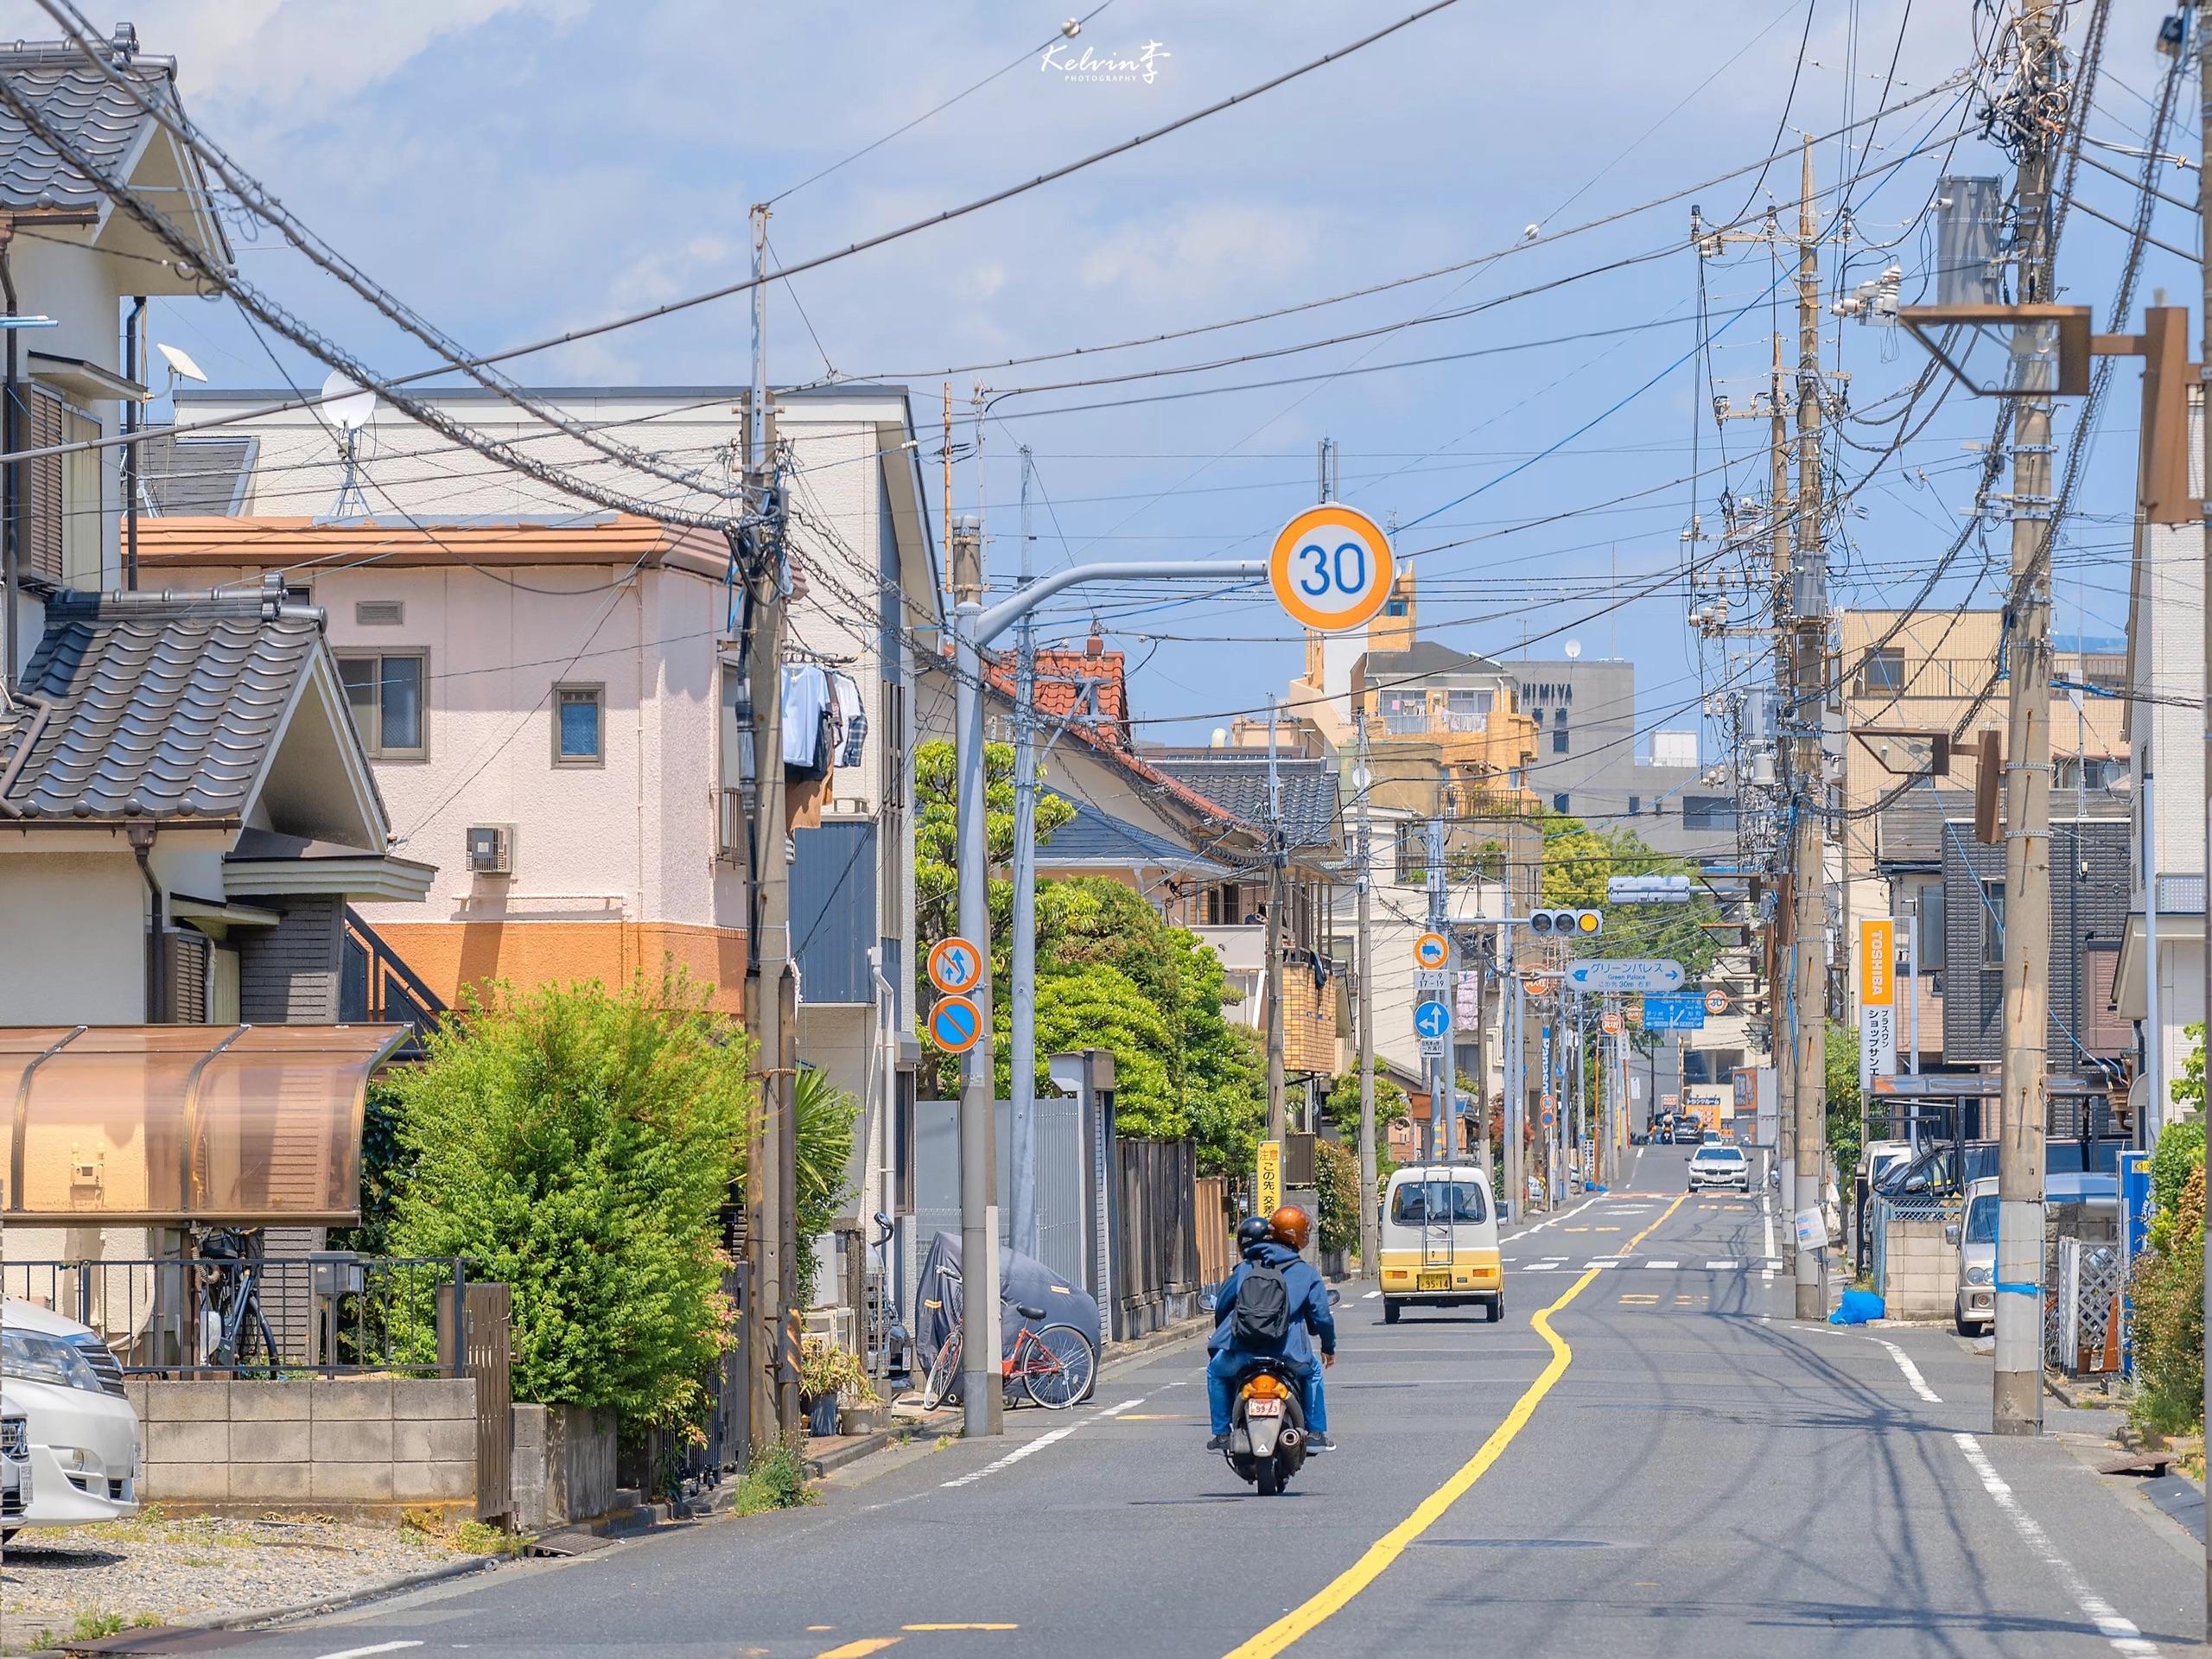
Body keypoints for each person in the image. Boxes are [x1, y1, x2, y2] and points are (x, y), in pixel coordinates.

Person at [1205, 1204, 1337, 1453]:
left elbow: (1222, 1305)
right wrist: (1328, 1348)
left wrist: (1224, 1335)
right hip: (1290, 1355)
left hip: (1241, 1354)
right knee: (1314, 1372)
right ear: (1301, 1237)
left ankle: (1222, 1434)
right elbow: (1322, 1316)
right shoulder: (1306, 1273)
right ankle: (1317, 1433)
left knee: (1215, 1371)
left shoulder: (1245, 1268)